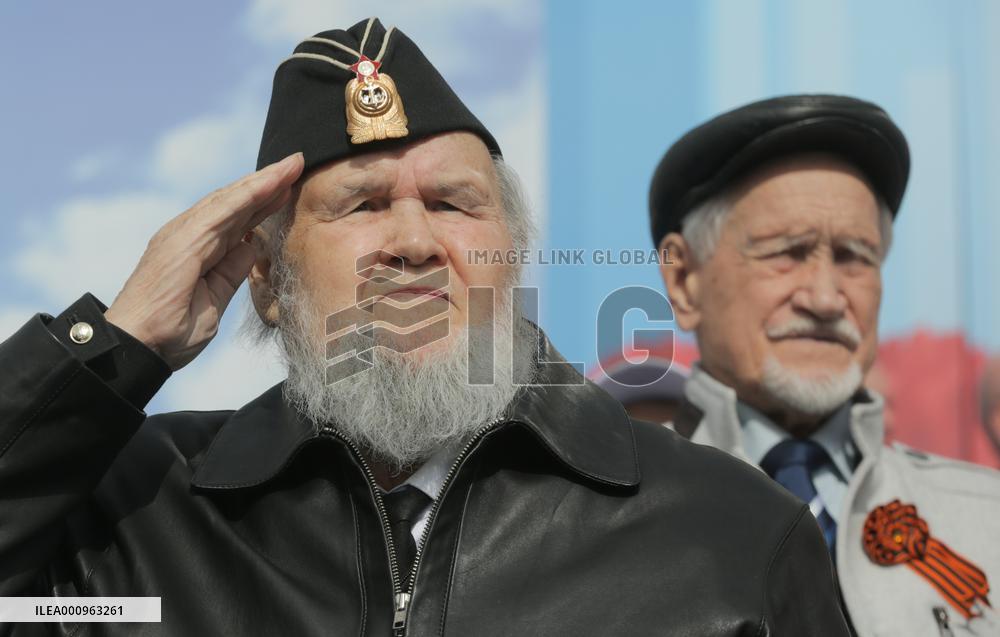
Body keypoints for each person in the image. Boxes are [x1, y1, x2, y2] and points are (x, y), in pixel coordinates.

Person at [0, 20, 850, 636]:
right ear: (267, 280)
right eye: (362, 204)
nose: (413, 242)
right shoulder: (130, 519)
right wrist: (113, 347)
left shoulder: (728, 528)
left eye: (453, 203)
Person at [649, 94, 1000, 636]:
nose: (825, 297)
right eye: (786, 252)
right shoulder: (603, 524)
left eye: (854, 256)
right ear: (684, 282)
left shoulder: (984, 516)